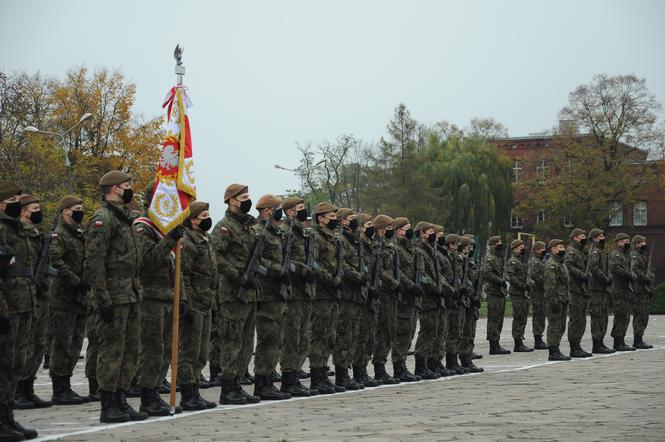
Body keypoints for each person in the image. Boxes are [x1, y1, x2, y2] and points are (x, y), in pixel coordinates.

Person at [84, 170, 147, 423]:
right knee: (111, 350)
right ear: (114, 188)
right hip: (112, 294)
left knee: (130, 349)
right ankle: (108, 403)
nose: (130, 188)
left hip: (131, 292)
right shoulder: (103, 218)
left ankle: (121, 399)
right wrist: (102, 298)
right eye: (127, 184)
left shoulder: (126, 218)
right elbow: (94, 262)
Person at [134, 181, 185, 416]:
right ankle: (147, 396)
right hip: (150, 297)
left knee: (164, 350)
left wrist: (181, 296)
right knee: (152, 349)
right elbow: (147, 262)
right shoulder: (143, 227)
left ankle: (156, 390)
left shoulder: (165, 228)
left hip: (167, 296)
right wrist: (169, 240)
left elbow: (175, 266)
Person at [211, 184, 261, 405]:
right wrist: (238, 276)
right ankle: (227, 387)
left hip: (250, 294)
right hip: (232, 293)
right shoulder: (224, 227)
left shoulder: (249, 227)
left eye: (248, 196)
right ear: (231, 200)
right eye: (243, 197)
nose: (247, 200)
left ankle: (238, 383)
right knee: (231, 341)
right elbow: (216, 257)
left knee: (245, 342)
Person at [0, 180, 39, 441]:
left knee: (15, 364)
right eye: (12, 202)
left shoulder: (17, 230)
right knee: (3, 364)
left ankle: (7, 416)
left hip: (23, 303)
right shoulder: (2, 230)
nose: (17, 204)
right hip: (7, 307)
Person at [48, 195, 89, 405]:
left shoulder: (79, 233)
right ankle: (59, 387)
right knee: (63, 343)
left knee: (75, 343)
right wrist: (76, 281)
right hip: (63, 296)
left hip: (79, 297)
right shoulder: (59, 234)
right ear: (65, 210)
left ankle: (67, 384)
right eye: (76, 208)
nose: (80, 211)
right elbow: (55, 260)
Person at [14, 195, 53, 410]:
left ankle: (28, 387)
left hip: (40, 294)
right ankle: (18, 390)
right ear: (23, 211)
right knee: (24, 345)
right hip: (22, 296)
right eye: (35, 208)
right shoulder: (15, 233)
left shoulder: (37, 235)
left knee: (39, 343)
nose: (39, 211)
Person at [178, 201, 218, 410]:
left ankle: (195, 390)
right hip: (194, 303)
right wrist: (187, 303)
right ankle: (187, 392)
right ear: (193, 220)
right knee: (190, 351)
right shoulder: (188, 241)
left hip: (207, 302)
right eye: (203, 216)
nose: (207, 220)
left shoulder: (206, 240)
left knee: (202, 351)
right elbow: (183, 275)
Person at [252, 195, 291, 400]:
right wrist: (278, 270)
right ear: (267, 210)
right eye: (277, 209)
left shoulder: (276, 232)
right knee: (267, 339)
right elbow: (258, 259)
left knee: (276, 338)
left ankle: (268, 380)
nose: (280, 213)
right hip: (265, 292)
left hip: (278, 293)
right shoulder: (259, 230)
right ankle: (261, 382)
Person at [279, 197, 317, 397]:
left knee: (302, 337)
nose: (304, 212)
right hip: (292, 292)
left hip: (304, 292)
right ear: (290, 212)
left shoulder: (301, 232)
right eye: (300, 209)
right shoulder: (285, 232)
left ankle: (294, 375)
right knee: (291, 338)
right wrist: (303, 270)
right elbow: (286, 260)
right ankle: (288, 378)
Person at [308, 202, 345, 394]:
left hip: (332, 294)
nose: (334, 221)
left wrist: (339, 278)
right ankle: (316, 375)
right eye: (331, 217)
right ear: (321, 218)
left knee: (329, 336)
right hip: (322, 292)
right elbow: (313, 263)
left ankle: (323, 371)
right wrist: (330, 279)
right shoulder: (315, 237)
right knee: (319, 336)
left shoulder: (333, 237)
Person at [391, 217, 428, 382]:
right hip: (404, 297)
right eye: (407, 228)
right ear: (398, 230)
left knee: (410, 333)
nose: (410, 231)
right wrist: (411, 285)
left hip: (413, 298)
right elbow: (398, 272)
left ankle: (403, 364)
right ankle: (398, 366)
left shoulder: (411, 249)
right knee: (402, 332)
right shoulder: (396, 249)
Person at [333, 208, 365, 390]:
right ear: (343, 221)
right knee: (343, 336)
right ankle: (341, 374)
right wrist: (357, 276)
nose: (355, 222)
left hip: (355, 294)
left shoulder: (354, 239)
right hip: (345, 294)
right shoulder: (342, 239)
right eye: (352, 219)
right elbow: (342, 264)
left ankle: (346, 373)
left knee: (353, 336)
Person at [350, 213, 381, 388]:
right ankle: (357, 369)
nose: (372, 228)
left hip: (371, 294)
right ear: (361, 227)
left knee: (369, 335)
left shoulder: (372, 245)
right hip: (361, 294)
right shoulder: (359, 245)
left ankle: (363, 368)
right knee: (360, 335)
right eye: (369, 224)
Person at [413, 222, 448, 377]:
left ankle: (430, 363)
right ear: (422, 234)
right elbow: (422, 275)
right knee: (427, 330)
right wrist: (435, 288)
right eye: (430, 232)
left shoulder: (431, 251)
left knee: (434, 331)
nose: (433, 235)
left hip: (435, 298)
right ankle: (421, 364)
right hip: (427, 297)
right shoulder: (420, 251)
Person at [371, 215, 401, 385]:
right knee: (383, 331)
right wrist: (394, 283)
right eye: (389, 227)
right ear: (382, 228)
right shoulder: (377, 246)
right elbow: (379, 270)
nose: (392, 230)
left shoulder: (390, 246)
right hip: (383, 292)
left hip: (391, 293)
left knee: (390, 330)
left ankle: (382, 364)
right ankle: (379, 367)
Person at [565, 228, 592, 358]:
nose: (583, 238)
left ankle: (578, 344)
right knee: (576, 319)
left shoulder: (580, 252)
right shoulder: (571, 251)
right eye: (581, 236)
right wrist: (582, 275)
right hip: (574, 288)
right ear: (575, 237)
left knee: (581, 319)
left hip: (582, 289)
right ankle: (573, 347)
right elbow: (569, 266)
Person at [458, 234, 483, 373]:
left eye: (473, 246)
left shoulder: (470, 261)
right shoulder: (460, 262)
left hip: (471, 300)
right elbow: (464, 281)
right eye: (469, 246)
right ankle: (463, 359)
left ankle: (467, 357)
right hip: (466, 299)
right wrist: (472, 296)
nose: (471, 249)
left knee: (470, 330)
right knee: (463, 331)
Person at [586, 229, 614, 354]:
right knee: (597, 316)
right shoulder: (595, 252)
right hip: (596, 289)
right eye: (600, 236)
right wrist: (604, 279)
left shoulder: (602, 252)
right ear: (594, 239)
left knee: (603, 316)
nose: (603, 238)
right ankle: (597, 344)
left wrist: (609, 278)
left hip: (603, 289)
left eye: (603, 235)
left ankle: (601, 342)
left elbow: (606, 268)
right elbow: (593, 267)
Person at [543, 239, 570, 361]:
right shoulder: (551, 264)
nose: (563, 250)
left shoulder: (560, 263)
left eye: (563, 247)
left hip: (562, 298)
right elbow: (550, 285)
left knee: (561, 325)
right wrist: (553, 301)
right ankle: (553, 351)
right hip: (555, 299)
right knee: (554, 325)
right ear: (553, 249)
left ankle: (556, 348)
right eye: (560, 247)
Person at [483, 236, 510, 354]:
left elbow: (503, 272)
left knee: (499, 320)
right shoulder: (489, 258)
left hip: (500, 292)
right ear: (493, 244)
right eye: (498, 243)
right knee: (493, 319)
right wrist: (500, 281)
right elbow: (487, 273)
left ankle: (497, 342)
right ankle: (493, 345)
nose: (500, 244)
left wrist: (504, 281)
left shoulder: (498, 258)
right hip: (493, 292)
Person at [609, 233, 635, 352]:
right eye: (625, 241)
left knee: (625, 316)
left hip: (625, 289)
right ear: (619, 242)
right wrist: (629, 275)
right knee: (620, 316)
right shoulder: (616, 254)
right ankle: (618, 341)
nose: (627, 243)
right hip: (619, 289)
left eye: (628, 241)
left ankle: (621, 340)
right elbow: (615, 268)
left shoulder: (625, 255)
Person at [506, 239, 533, 353]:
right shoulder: (513, 261)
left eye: (523, 247)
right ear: (514, 249)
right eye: (520, 248)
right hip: (517, 293)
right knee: (519, 317)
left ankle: (520, 340)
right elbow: (512, 277)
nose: (522, 249)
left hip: (523, 293)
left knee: (523, 317)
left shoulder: (521, 261)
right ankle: (518, 343)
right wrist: (522, 286)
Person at [629, 235, 654, 349]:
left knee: (644, 315)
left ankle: (640, 338)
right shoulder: (635, 255)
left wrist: (650, 277)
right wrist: (645, 278)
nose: (645, 244)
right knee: (639, 315)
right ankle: (637, 340)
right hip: (638, 290)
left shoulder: (642, 256)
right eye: (642, 242)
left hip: (644, 289)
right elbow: (635, 270)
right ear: (637, 244)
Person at [527, 241, 548, 350]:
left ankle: (539, 337)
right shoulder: (535, 261)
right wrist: (545, 282)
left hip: (541, 292)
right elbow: (535, 275)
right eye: (541, 249)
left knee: (541, 315)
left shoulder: (540, 260)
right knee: (539, 315)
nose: (543, 251)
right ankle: (538, 339)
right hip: (537, 292)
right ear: (535, 250)